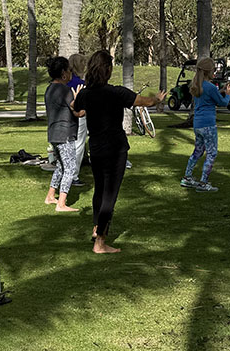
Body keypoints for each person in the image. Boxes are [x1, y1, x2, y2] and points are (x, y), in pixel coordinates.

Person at [71, 51, 166, 254]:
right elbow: (144, 102)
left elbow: (77, 111)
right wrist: (157, 99)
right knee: (109, 196)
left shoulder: (86, 94)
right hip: (115, 149)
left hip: (96, 149)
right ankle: (100, 243)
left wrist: (75, 101)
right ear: (107, 70)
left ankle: (97, 228)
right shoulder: (116, 93)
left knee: (100, 190)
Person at [181, 57, 230, 192]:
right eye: (214, 69)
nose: (214, 72)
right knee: (211, 153)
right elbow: (222, 103)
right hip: (208, 125)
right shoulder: (210, 87)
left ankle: (187, 177)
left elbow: (208, 97)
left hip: (198, 124)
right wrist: (228, 94)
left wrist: (221, 91)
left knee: (198, 151)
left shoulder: (196, 84)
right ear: (209, 71)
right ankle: (203, 183)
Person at [44, 56, 82, 212]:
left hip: (53, 133)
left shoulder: (49, 89)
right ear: (64, 73)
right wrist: (79, 98)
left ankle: (51, 196)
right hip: (65, 134)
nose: (70, 73)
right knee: (70, 168)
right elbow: (78, 112)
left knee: (60, 166)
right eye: (69, 70)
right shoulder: (66, 91)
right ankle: (61, 203)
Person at [68, 52, 90, 172]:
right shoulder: (80, 84)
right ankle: (74, 174)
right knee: (79, 144)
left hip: (66, 117)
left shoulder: (65, 83)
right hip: (79, 116)